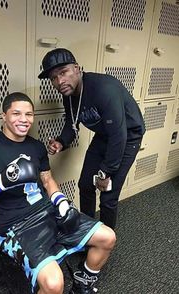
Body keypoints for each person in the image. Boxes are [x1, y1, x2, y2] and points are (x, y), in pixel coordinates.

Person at [0, 92, 116, 294]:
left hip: (47, 212)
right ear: (4, 116)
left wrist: (62, 204)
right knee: (54, 284)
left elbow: (47, 179)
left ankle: (82, 284)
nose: (24, 120)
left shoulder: (36, 146)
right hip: (15, 225)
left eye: (29, 114)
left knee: (107, 237)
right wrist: (3, 181)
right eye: (16, 113)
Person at [38, 48, 145, 230]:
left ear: (77, 69)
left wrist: (105, 172)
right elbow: (71, 124)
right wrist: (61, 142)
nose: (59, 81)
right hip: (104, 135)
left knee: (108, 194)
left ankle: (105, 242)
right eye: (53, 78)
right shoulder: (69, 94)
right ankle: (87, 232)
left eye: (63, 72)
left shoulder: (104, 89)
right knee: (85, 184)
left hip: (128, 137)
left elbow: (119, 136)